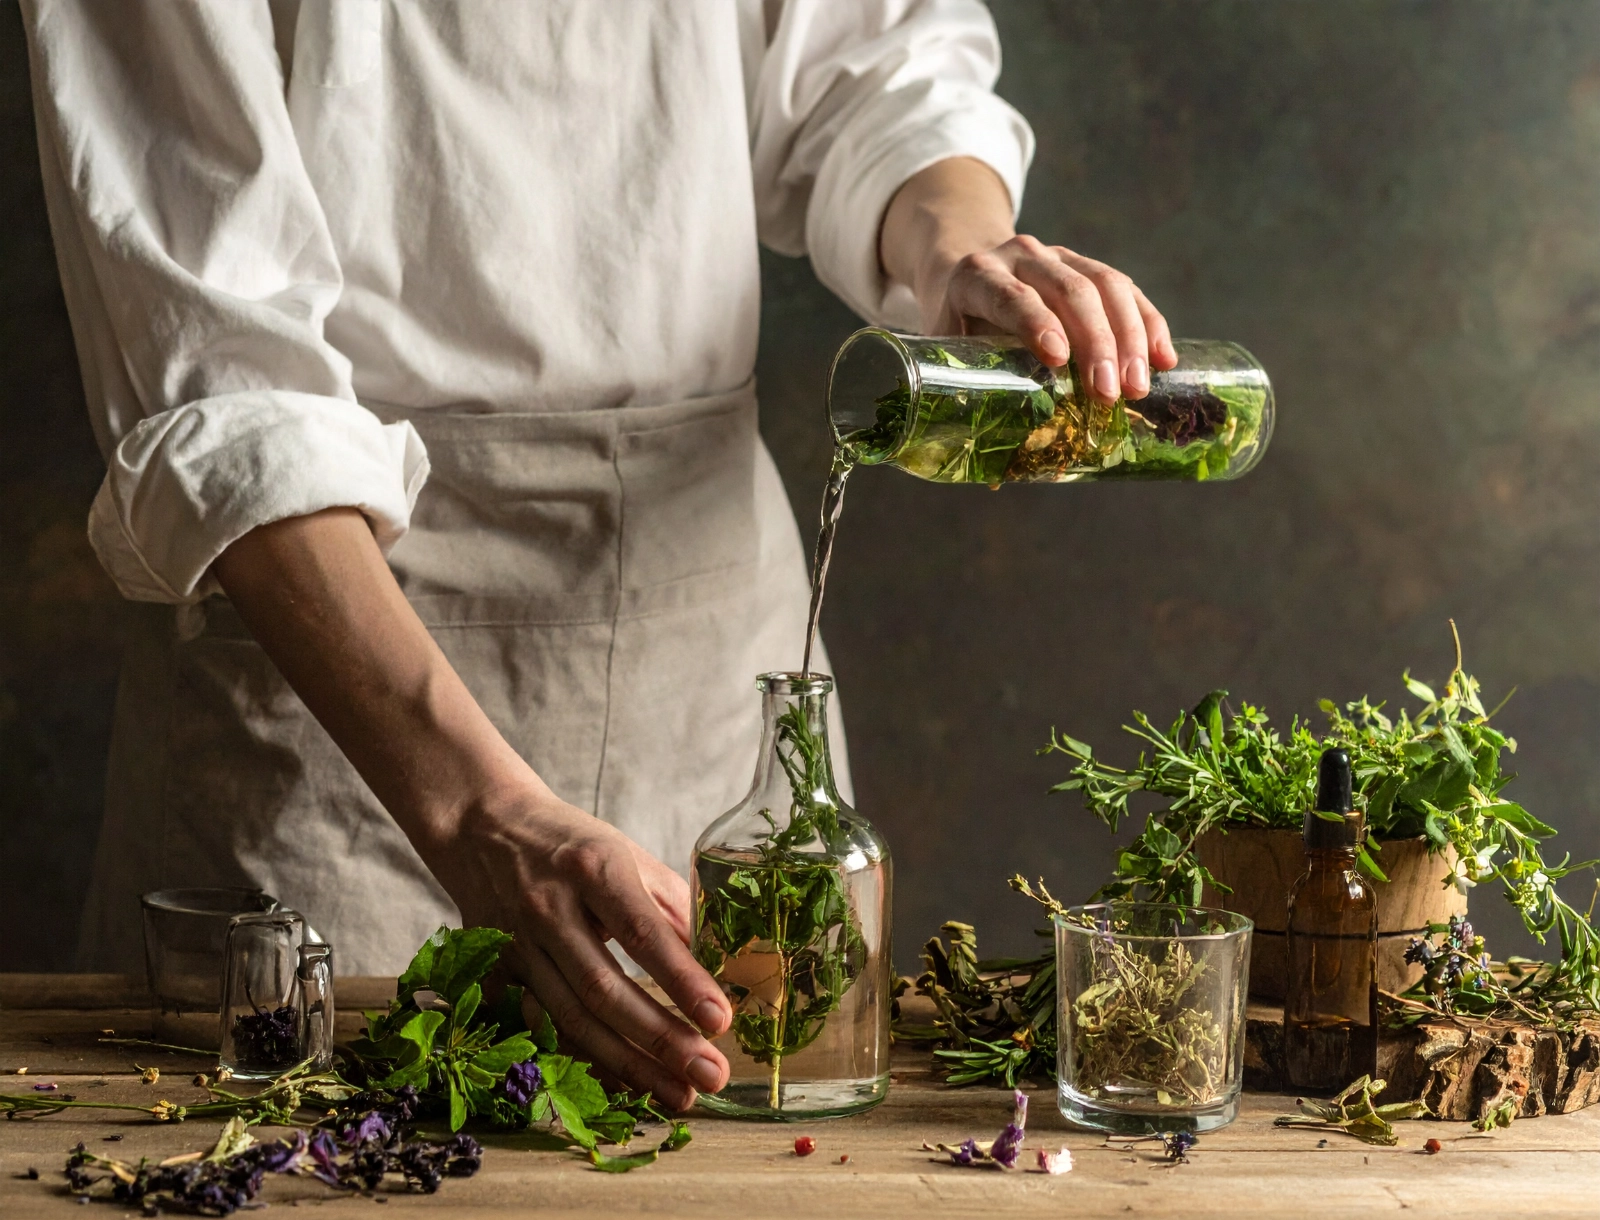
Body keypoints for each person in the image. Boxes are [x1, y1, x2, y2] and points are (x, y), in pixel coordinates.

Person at [22, 1, 1175, 1109]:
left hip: (710, 653)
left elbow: (871, 60)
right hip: (334, 690)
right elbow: (221, 373)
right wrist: (478, 816)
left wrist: (963, 251)